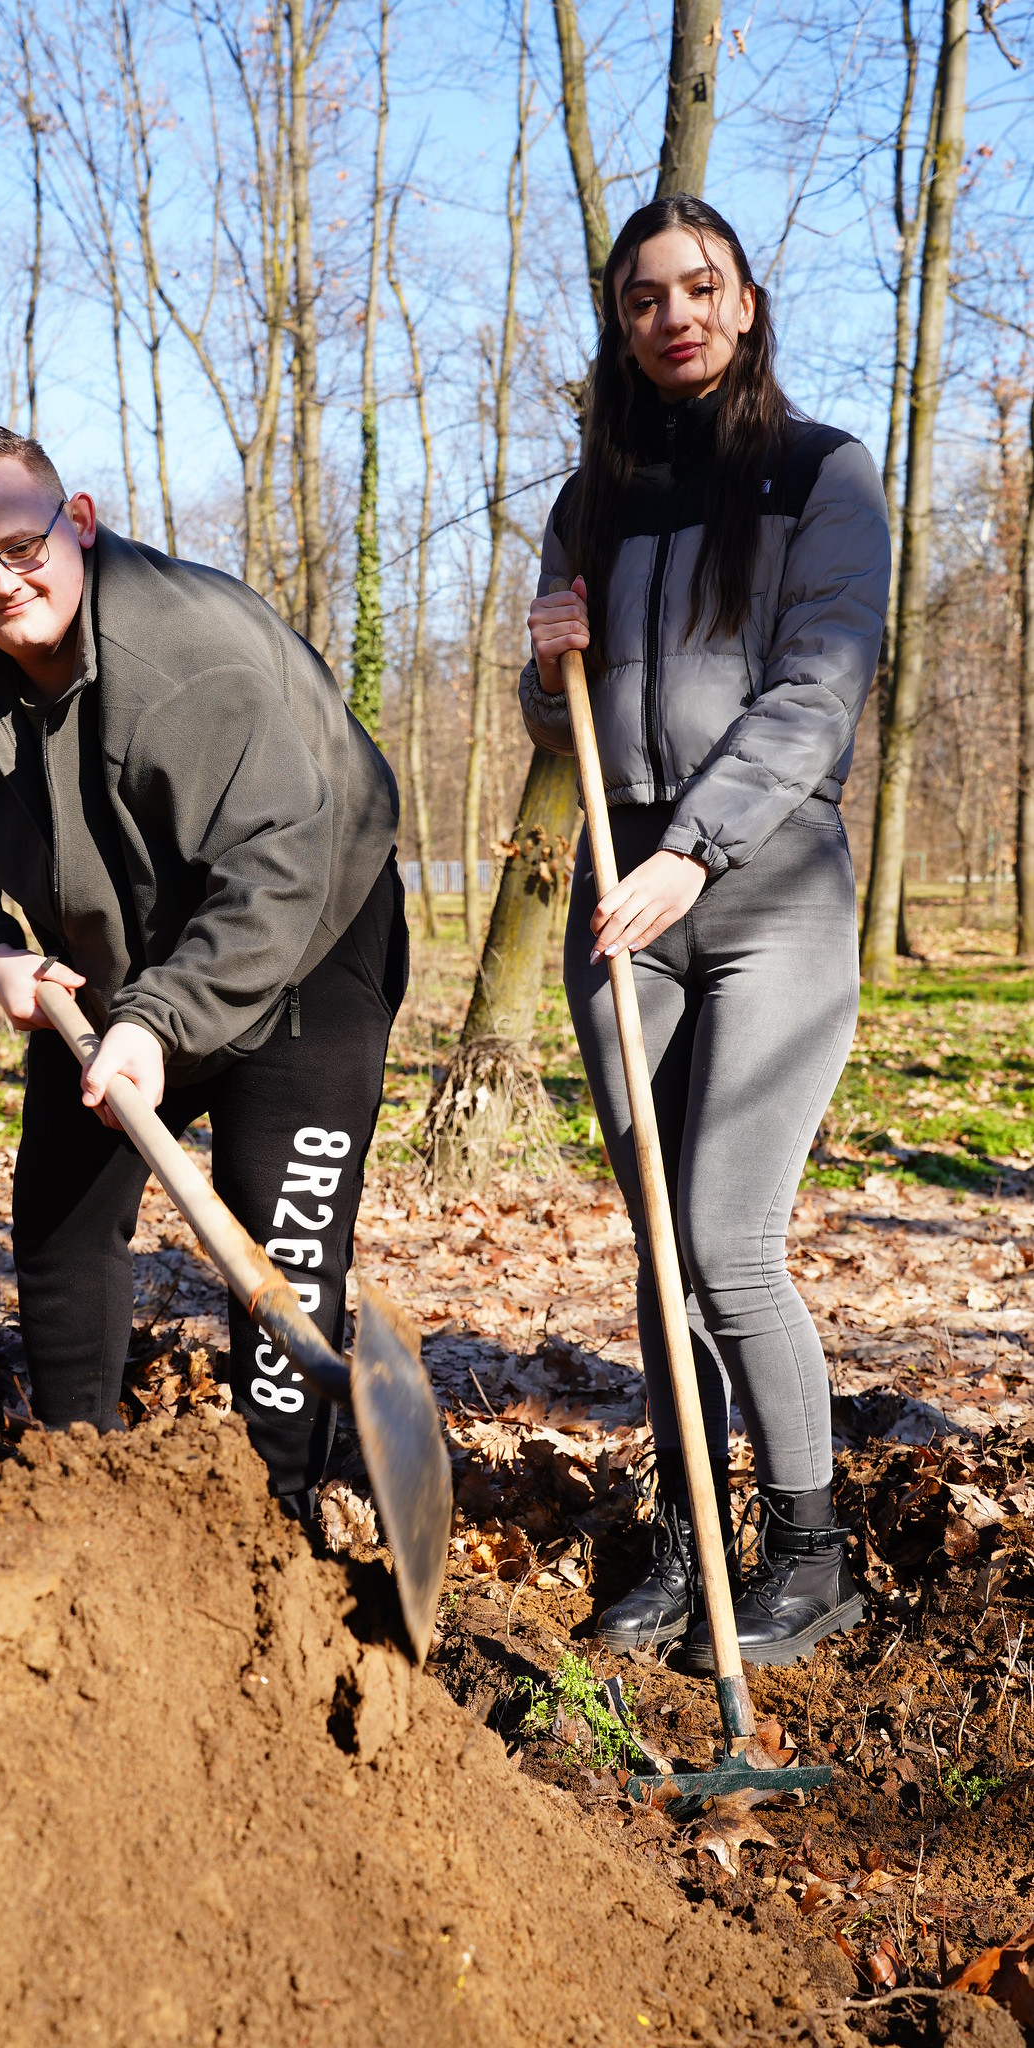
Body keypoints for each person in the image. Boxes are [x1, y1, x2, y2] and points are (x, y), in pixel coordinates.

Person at [0, 422, 407, 1521]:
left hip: (308, 936)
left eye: (23, 546)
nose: (0, 581)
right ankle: (83, 1487)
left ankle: (281, 1519)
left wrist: (162, 1022)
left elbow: (280, 867)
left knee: (282, 1225)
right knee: (61, 1221)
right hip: (103, 960)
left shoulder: (192, 654)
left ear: (76, 520)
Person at [521, 195, 889, 1667]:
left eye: (698, 288)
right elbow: (557, 720)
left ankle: (813, 1550)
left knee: (727, 1238)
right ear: (620, 326)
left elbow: (815, 689)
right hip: (623, 898)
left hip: (768, 889)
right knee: (658, 1255)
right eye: (642, 298)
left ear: (743, 307)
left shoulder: (822, 474)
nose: (672, 314)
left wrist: (697, 847)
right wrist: (547, 675)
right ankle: (690, 1546)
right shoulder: (587, 500)